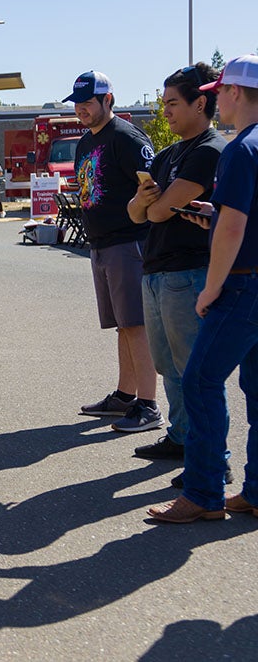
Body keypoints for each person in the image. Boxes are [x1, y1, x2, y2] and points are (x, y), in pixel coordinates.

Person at [148, 54, 258, 523]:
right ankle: (254, 490)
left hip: (240, 284)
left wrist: (211, 289)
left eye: (219, 94)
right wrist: (211, 215)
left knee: (199, 380)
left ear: (234, 92)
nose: (218, 104)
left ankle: (204, 492)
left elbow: (234, 228)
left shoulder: (240, 148)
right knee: (255, 388)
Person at [126, 63, 226, 466]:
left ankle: (209, 457)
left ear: (200, 103)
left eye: (172, 103)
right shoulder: (168, 154)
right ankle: (182, 437)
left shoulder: (210, 150)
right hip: (156, 273)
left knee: (193, 372)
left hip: (188, 273)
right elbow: (136, 212)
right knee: (169, 366)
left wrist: (150, 204)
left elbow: (159, 212)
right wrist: (146, 202)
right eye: (163, 102)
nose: (164, 110)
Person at [66, 70, 159, 432]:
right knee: (123, 325)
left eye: (88, 102)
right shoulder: (86, 141)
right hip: (102, 244)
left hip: (129, 242)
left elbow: (152, 187)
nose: (81, 109)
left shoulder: (126, 137)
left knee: (136, 324)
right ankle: (125, 396)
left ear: (108, 100)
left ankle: (149, 406)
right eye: (77, 103)